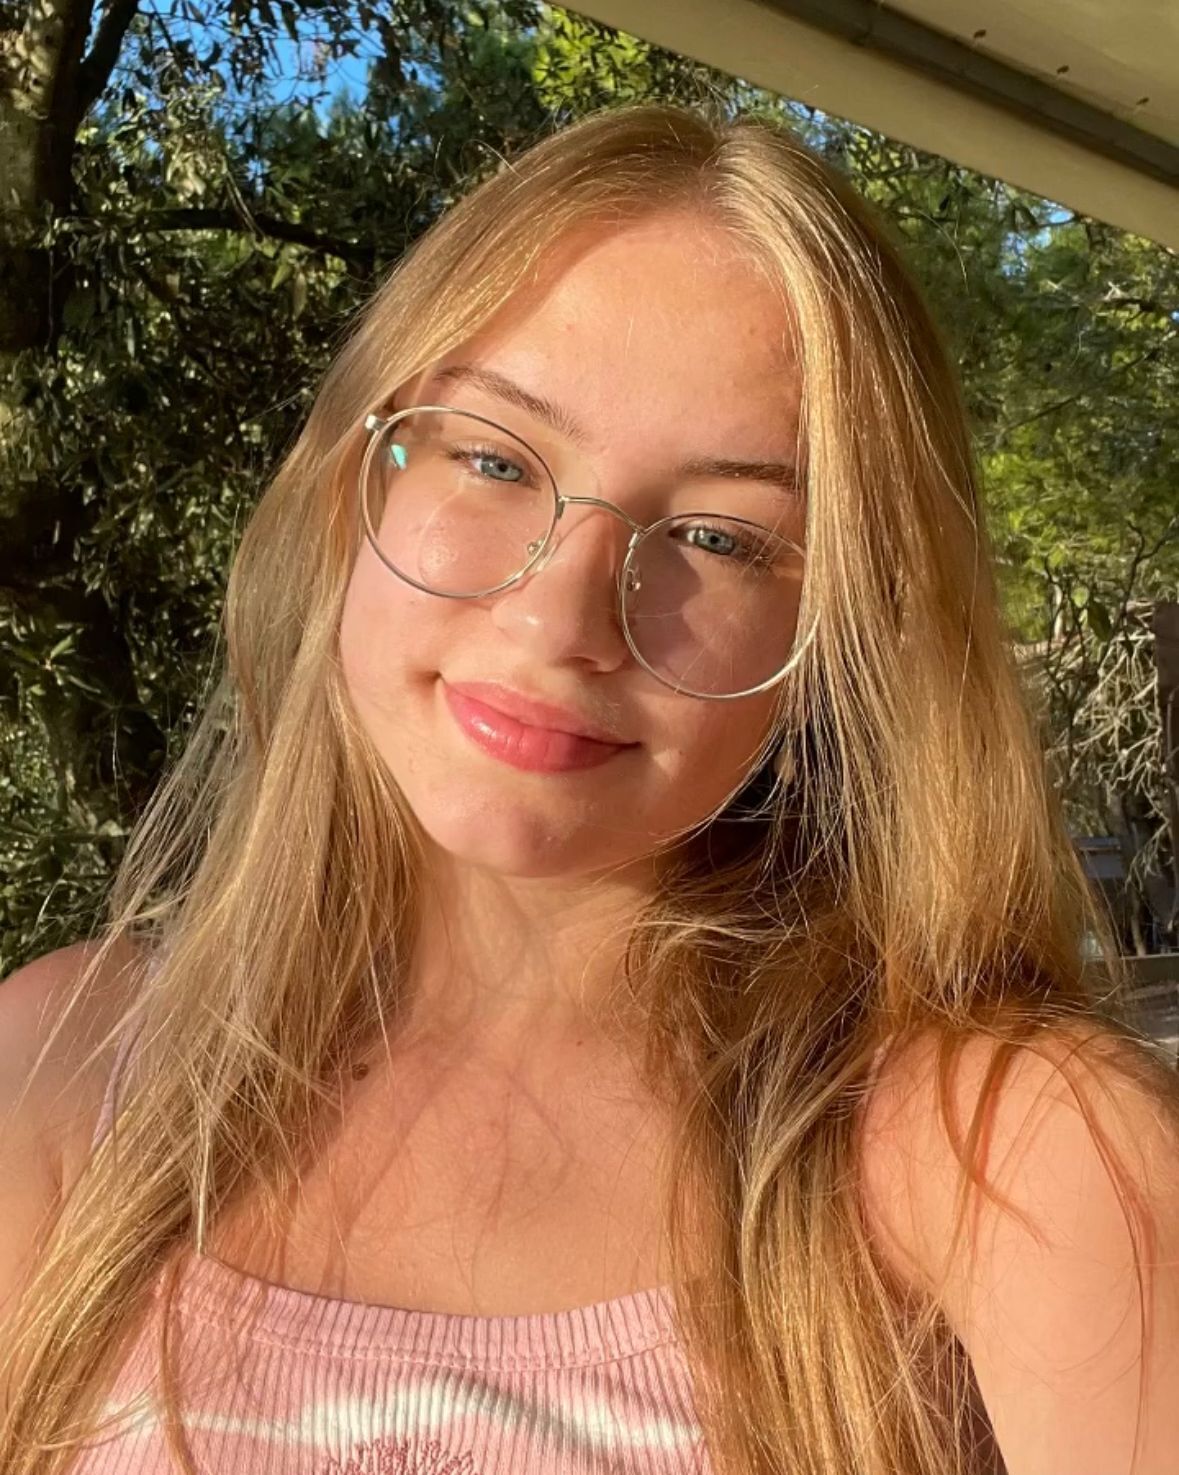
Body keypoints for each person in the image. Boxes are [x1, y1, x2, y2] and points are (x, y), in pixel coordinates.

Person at [0, 101, 1176, 1475]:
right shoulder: (63, 1070)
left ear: (841, 642)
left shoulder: (1014, 1160)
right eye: (496, 459)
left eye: (721, 538)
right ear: (347, 488)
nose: (563, 618)